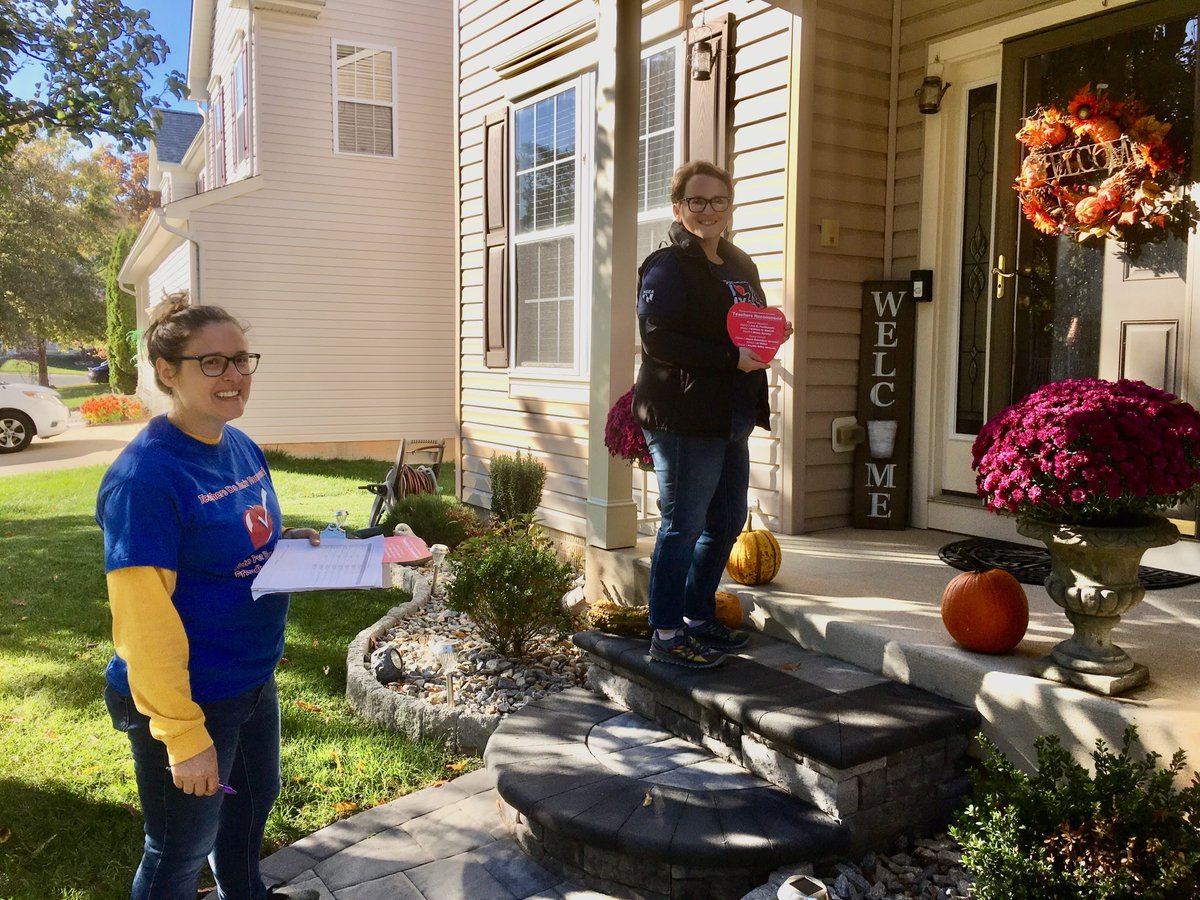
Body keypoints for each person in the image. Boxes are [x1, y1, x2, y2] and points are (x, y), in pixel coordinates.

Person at [97, 295, 320, 900]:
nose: (235, 376)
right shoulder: (145, 479)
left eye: (242, 360)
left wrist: (286, 539)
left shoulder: (237, 444)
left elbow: (238, 536)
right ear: (168, 372)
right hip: (190, 698)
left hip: (250, 677)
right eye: (214, 363)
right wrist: (183, 734)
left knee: (249, 810)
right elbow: (142, 625)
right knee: (179, 849)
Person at [633, 161, 793, 668]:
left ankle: (699, 619)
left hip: (732, 413)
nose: (708, 210)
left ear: (730, 206)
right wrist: (730, 358)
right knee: (682, 524)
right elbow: (657, 337)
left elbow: (745, 325)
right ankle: (665, 633)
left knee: (724, 521)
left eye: (718, 201)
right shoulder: (666, 266)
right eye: (696, 201)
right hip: (682, 414)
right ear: (678, 208)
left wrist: (770, 334)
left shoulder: (740, 264)